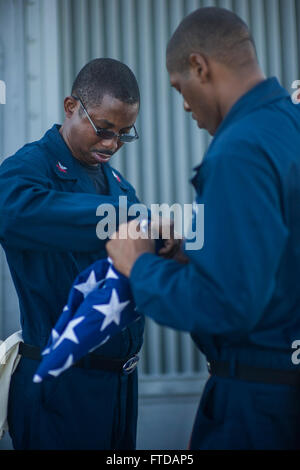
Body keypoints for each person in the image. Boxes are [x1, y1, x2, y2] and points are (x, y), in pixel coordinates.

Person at [107, 7, 300, 450]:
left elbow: (228, 303)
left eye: (181, 88)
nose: (185, 105)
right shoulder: (289, 126)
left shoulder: (239, 149)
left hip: (258, 407)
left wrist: (140, 267)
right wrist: (196, 253)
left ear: (199, 66)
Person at [0, 58, 145, 450]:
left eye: (125, 135)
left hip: (119, 387)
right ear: (71, 107)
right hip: (61, 391)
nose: (112, 144)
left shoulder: (116, 183)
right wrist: (121, 219)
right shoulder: (29, 169)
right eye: (104, 129)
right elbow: (13, 215)